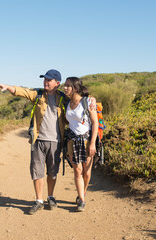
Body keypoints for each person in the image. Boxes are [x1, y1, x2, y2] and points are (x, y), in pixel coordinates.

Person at [0, 69, 66, 215]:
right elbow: (23, 91)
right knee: (37, 171)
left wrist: (90, 100)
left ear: (57, 83)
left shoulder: (64, 98)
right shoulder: (38, 94)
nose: (45, 82)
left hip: (56, 141)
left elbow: (78, 99)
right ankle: (39, 200)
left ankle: (50, 197)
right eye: (44, 79)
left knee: (52, 172)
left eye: (49, 80)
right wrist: (8, 87)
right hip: (38, 140)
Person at [63, 77, 98, 212]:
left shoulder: (87, 102)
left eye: (67, 86)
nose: (65, 88)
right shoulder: (66, 101)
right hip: (72, 141)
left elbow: (94, 123)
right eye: (65, 85)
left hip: (86, 140)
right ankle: (81, 199)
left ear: (75, 88)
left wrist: (92, 143)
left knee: (87, 172)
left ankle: (83, 192)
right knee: (77, 171)